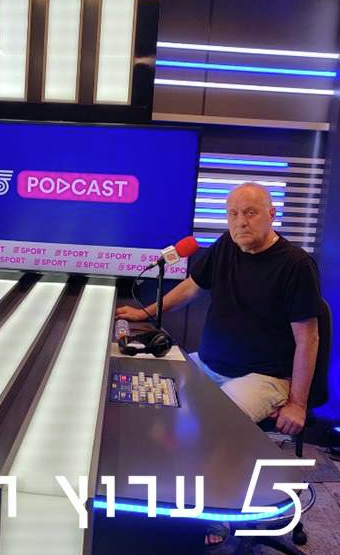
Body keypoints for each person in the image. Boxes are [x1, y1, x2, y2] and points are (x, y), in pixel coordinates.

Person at [116, 182, 320, 437]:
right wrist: (144, 313)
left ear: (271, 215)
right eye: (233, 214)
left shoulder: (296, 264)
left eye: (250, 212)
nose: (241, 222)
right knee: (151, 397)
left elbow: (308, 339)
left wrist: (298, 404)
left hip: (263, 377)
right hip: (208, 365)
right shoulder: (227, 244)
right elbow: (191, 287)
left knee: (212, 427)